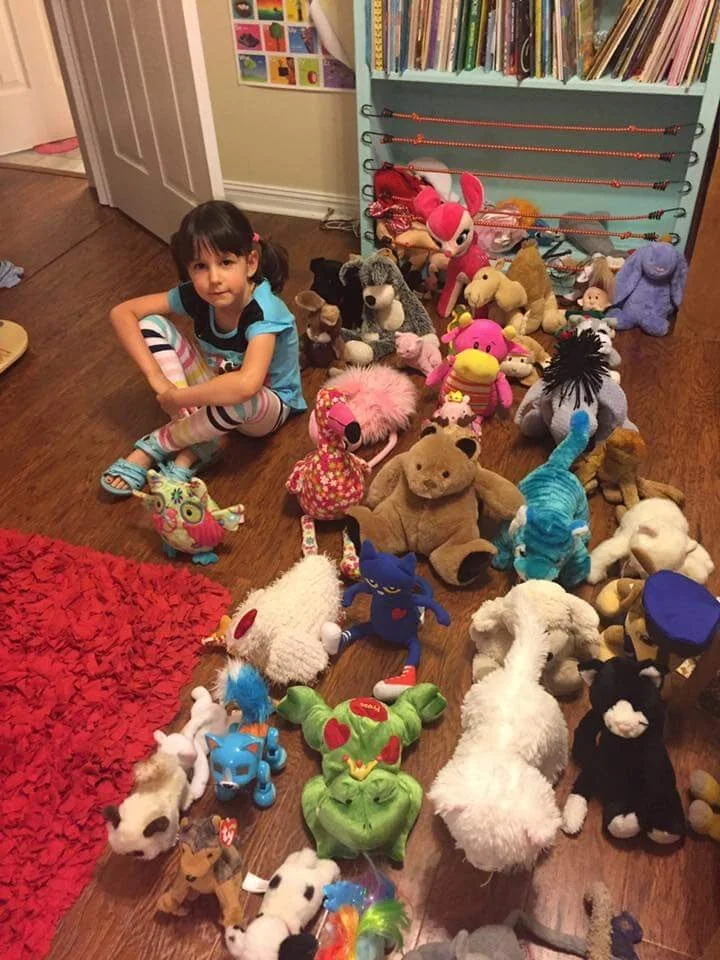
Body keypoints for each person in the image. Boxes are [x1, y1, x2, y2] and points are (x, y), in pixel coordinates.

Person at [101, 201, 305, 495]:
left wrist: (179, 396)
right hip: (216, 391)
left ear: (250, 263)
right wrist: (158, 381)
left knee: (241, 395)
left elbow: (247, 385)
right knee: (151, 323)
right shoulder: (196, 296)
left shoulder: (264, 311)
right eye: (200, 266)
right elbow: (123, 313)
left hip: (265, 408)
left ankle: (161, 443)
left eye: (225, 262)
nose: (214, 279)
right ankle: (199, 438)